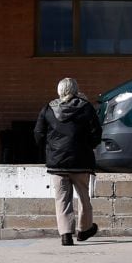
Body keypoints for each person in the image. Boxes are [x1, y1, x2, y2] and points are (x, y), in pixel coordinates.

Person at [33, 77, 102, 247]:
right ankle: (84, 229)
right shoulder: (86, 107)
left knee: (62, 199)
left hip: (57, 162)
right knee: (84, 197)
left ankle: (65, 234)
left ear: (59, 90)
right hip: (81, 160)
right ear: (76, 90)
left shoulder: (48, 109)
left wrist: (50, 150)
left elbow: (38, 133)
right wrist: (89, 146)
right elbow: (96, 132)